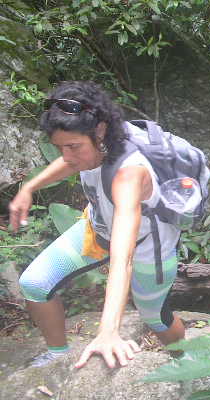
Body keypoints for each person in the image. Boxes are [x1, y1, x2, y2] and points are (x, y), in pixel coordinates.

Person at [9, 81, 185, 369]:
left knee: (155, 316)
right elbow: (72, 162)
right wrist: (29, 187)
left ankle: (187, 361)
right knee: (34, 283)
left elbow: (122, 259)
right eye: (60, 147)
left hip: (146, 247)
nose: (67, 156)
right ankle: (57, 356)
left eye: (74, 146)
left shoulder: (130, 176)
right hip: (98, 227)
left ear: (100, 131)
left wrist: (108, 331)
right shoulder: (92, 147)